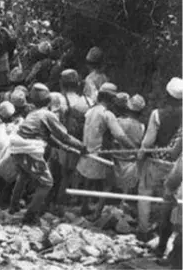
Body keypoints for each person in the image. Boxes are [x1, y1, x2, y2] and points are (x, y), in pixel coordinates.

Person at [4, 90, 88, 224]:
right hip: (30, 148)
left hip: (17, 147)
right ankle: (30, 216)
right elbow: (64, 136)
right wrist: (82, 146)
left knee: (24, 175)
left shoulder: (33, 114)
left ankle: (13, 207)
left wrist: (65, 148)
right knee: (46, 183)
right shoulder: (47, 114)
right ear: (49, 103)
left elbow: (47, 137)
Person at [76, 83, 139, 218]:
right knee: (108, 184)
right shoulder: (107, 115)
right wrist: (135, 150)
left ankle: (84, 207)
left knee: (88, 181)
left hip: (88, 152)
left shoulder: (91, 110)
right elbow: (120, 136)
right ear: (110, 98)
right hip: (101, 154)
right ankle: (97, 214)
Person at [136, 77, 183, 241]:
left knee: (145, 193)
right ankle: (162, 233)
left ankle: (143, 230)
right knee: (168, 198)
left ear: (167, 95)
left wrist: (140, 156)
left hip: (156, 161)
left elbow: (148, 142)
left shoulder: (157, 114)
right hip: (176, 165)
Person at [49, 69, 91, 206]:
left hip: (63, 141)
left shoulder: (59, 100)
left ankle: (57, 203)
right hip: (82, 141)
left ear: (62, 83)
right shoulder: (87, 101)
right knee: (76, 173)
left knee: (61, 174)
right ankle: (76, 202)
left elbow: (53, 122)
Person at [156, 155, 182, 267]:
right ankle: (165, 252)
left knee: (179, 231)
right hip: (176, 193)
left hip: (176, 194)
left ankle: (173, 258)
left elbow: (177, 174)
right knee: (168, 222)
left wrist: (169, 189)